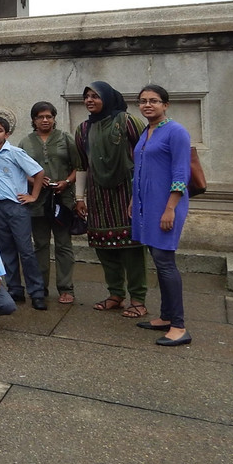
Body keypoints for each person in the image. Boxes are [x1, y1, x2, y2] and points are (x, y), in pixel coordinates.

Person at [74, 81, 148, 317]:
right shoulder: (83, 129)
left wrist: (139, 196)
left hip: (126, 193)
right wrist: (79, 197)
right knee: (104, 247)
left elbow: (144, 157)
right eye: (87, 97)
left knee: (132, 249)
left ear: (107, 97)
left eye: (95, 96)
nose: (89, 100)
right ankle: (116, 294)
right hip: (98, 197)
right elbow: (82, 166)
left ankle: (138, 299)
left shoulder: (127, 121)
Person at [131, 85, 192, 346]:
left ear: (165, 105)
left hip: (167, 206)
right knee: (157, 258)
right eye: (143, 101)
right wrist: (135, 200)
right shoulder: (146, 131)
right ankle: (166, 316)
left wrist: (170, 209)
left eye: (154, 101)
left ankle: (179, 326)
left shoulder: (176, 131)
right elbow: (142, 169)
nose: (148, 105)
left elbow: (181, 173)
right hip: (148, 206)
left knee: (166, 262)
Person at [0, 115, 48, 310]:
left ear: (7, 134)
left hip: (17, 206)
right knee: (5, 249)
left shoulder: (15, 153)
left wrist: (33, 196)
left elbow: (38, 173)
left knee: (26, 250)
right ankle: (15, 288)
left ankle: (37, 292)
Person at [17, 101, 79, 305]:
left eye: (49, 116)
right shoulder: (25, 143)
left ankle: (66, 287)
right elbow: (19, 170)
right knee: (40, 244)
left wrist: (67, 182)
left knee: (63, 244)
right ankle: (39, 286)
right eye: (40, 117)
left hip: (62, 199)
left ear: (54, 118)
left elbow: (79, 167)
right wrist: (33, 180)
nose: (45, 120)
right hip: (37, 201)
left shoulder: (65, 138)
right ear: (33, 120)